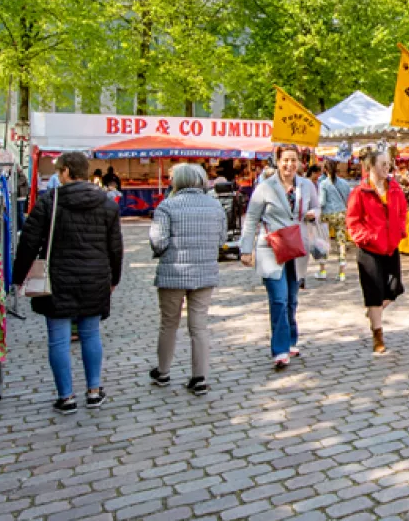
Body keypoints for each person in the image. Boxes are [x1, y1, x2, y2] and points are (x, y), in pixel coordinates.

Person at [13, 151, 123, 413]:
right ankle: (94, 391)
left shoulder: (49, 201)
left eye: (58, 171)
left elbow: (28, 242)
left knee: (59, 340)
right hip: (95, 277)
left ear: (65, 172)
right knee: (91, 334)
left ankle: (66, 397)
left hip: (57, 278)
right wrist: (114, 277)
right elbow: (115, 247)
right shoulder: (106, 203)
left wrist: (18, 277)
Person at [148, 164, 227, 396]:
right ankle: (200, 377)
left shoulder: (167, 206)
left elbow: (158, 241)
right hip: (204, 273)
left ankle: (163, 372)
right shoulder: (215, 206)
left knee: (169, 323)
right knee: (199, 326)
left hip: (172, 273)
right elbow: (222, 238)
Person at [241, 144, 320, 370]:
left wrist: (314, 214)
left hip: (296, 247)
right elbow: (251, 219)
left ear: (300, 162)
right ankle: (280, 349)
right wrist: (246, 249)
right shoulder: (265, 188)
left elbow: (318, 208)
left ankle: (291, 339)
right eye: (285, 160)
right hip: (271, 249)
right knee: (278, 299)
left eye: (293, 160)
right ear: (277, 162)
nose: (289, 164)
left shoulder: (306, 185)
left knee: (292, 299)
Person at [346, 148, 408, 354]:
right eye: (382, 164)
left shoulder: (395, 189)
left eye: (388, 163)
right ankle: (377, 333)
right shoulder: (360, 192)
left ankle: (375, 311)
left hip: (390, 247)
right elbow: (353, 222)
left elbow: (402, 211)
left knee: (394, 288)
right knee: (373, 292)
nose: (387, 167)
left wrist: (400, 231)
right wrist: (367, 238)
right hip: (369, 250)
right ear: (371, 166)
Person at [317, 161, 353, 282]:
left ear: (325, 170)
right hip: (341, 214)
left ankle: (322, 270)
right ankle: (342, 272)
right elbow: (348, 199)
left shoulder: (323, 184)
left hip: (327, 215)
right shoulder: (344, 183)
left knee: (323, 242)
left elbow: (322, 202)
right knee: (341, 242)